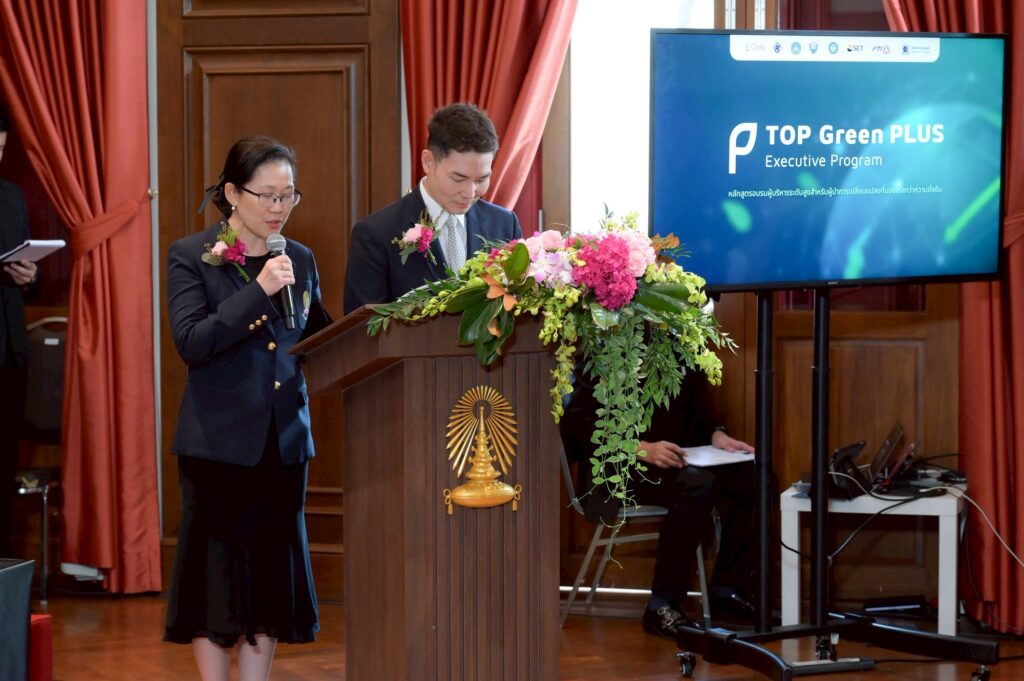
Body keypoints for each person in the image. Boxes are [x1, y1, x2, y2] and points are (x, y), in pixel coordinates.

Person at [163, 135, 332, 681]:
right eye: (268, 196)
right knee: (215, 581)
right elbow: (192, 342)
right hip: (217, 445)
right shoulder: (193, 255)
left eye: (289, 196)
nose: (280, 208)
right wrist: (258, 290)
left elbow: (317, 337)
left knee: (269, 582)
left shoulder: (298, 257)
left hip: (283, 444)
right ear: (233, 194)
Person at [559, 366, 757, 640]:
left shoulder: (680, 342)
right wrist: (641, 448)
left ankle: (728, 589)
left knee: (756, 475)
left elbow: (695, 401)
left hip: (678, 457)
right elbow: (578, 420)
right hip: (618, 468)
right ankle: (662, 604)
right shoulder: (601, 343)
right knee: (697, 484)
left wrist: (716, 433)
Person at [343, 102, 522, 314]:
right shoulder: (375, 233)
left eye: (482, 179)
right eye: (458, 178)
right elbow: (363, 326)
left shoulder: (504, 224)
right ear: (428, 162)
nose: (470, 192)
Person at [0, 103, 39, 557]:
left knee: (5, 464)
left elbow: (26, 268)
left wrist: (30, 276)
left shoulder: (11, 195)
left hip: (11, 351)